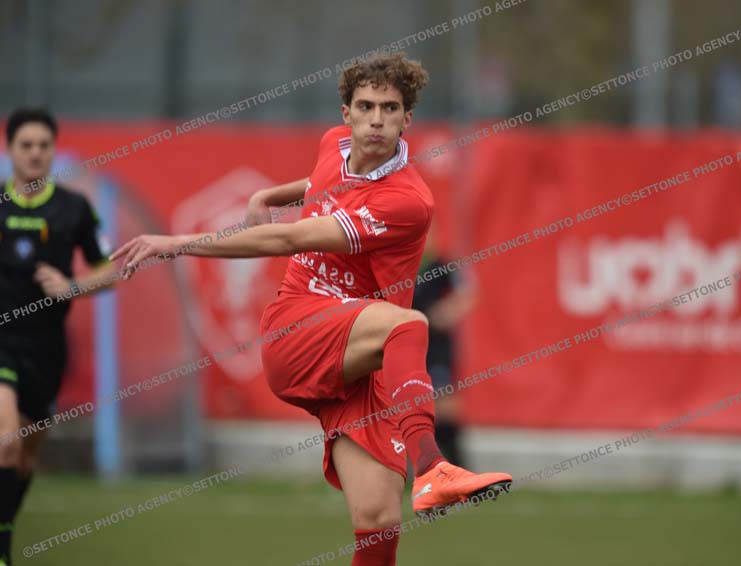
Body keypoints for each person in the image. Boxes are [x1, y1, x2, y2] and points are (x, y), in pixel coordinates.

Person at [112, 53, 511, 565]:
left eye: (389, 108)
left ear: (407, 119)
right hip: (296, 329)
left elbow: (291, 234)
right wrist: (260, 199)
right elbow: (313, 193)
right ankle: (433, 466)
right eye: (365, 106)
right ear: (346, 113)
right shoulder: (333, 144)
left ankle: (430, 477)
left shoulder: (408, 200)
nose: (376, 119)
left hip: (359, 364)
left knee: (379, 519)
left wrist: (185, 238)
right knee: (409, 324)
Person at [0, 108, 116, 566]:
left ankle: (6, 524)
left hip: (47, 348)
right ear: (10, 150)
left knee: (26, 457)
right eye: (25, 145)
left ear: (53, 150)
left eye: (43, 146)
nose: (34, 154)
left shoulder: (74, 208)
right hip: (3, 342)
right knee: (6, 440)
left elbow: (110, 271)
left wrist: (72, 286)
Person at [412, 224, 477, 467]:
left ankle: (457, 465)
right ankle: (423, 465)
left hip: (436, 347)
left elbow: (467, 293)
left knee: (444, 405)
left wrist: (446, 312)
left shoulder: (441, 266)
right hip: (409, 346)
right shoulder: (402, 267)